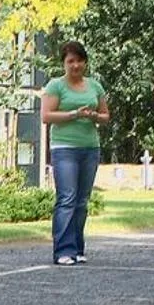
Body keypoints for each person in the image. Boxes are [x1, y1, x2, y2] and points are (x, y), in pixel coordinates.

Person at [38, 41, 108, 265]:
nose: (75, 65)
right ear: (64, 64)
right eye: (71, 61)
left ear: (85, 62)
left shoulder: (94, 86)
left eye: (79, 61)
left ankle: (77, 247)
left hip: (89, 146)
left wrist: (94, 116)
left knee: (81, 201)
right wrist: (73, 114)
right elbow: (46, 116)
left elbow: (106, 115)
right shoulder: (55, 86)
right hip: (64, 148)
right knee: (67, 198)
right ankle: (63, 250)